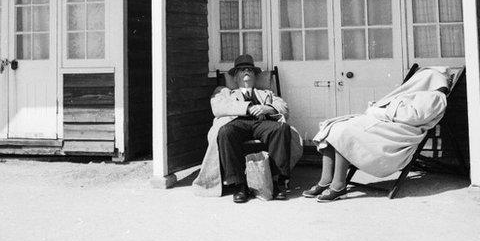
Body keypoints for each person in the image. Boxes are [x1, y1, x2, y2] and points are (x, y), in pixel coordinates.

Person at [303, 66, 451, 202]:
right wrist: (381, 109)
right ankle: (325, 181)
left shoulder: (436, 98)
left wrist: (381, 110)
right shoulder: (415, 94)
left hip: (398, 133)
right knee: (333, 126)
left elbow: (410, 118)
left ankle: (338, 185)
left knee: (345, 132)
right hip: (385, 126)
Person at [193, 54, 303, 203]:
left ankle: (277, 182)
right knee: (225, 132)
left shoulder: (266, 93)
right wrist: (248, 108)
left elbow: (284, 107)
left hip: (261, 122)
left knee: (281, 129)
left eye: (250, 70)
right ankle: (239, 185)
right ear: (235, 77)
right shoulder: (225, 91)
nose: (246, 72)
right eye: (241, 70)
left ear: (255, 76)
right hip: (237, 123)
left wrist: (267, 108)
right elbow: (218, 107)